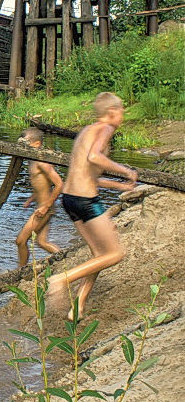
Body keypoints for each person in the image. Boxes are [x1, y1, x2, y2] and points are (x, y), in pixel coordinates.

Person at [47, 92, 137, 320]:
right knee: (115, 253)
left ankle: (78, 305)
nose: (123, 115)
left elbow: (89, 175)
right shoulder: (106, 128)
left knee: (98, 254)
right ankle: (62, 279)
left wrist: (120, 186)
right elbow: (94, 157)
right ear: (112, 112)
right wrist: (126, 171)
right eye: (122, 111)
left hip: (69, 199)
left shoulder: (87, 131)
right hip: (86, 201)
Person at [15, 127, 64, 268]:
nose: (23, 147)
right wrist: (31, 199)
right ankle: (65, 261)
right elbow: (42, 185)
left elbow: (59, 184)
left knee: (20, 241)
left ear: (37, 144)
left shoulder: (42, 162)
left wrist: (45, 206)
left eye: (26, 143)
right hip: (42, 207)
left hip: (44, 209)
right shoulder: (32, 160)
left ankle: (20, 272)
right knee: (42, 242)